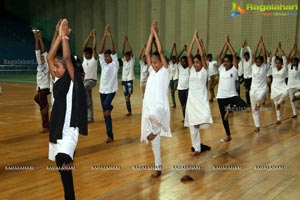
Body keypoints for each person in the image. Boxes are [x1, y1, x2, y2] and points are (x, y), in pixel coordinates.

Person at [47, 19, 88, 200]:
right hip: (57, 128)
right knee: (61, 166)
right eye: (55, 67)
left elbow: (65, 58)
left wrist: (64, 36)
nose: (54, 69)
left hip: (69, 129)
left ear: (68, 67)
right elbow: (50, 57)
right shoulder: (57, 79)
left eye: (58, 66)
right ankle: (69, 196)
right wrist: (57, 34)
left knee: (63, 161)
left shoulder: (73, 80)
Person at [141, 22, 172, 178]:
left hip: (160, 106)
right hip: (150, 103)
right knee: (155, 143)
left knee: (154, 117)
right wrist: (151, 34)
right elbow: (147, 53)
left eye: (156, 62)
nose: (153, 65)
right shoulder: (152, 72)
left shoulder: (166, 71)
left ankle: (156, 130)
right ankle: (158, 167)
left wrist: (156, 34)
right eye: (151, 63)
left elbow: (159, 50)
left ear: (162, 61)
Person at [185, 31, 212, 155]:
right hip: (191, 101)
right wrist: (193, 39)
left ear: (202, 63)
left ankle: (198, 146)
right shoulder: (191, 70)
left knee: (200, 119)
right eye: (194, 62)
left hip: (201, 100)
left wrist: (198, 42)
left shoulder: (204, 71)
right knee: (193, 126)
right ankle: (197, 147)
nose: (196, 64)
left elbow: (202, 55)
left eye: (198, 62)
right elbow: (188, 54)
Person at [216, 36, 248, 143]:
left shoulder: (234, 70)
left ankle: (230, 110)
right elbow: (218, 55)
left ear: (231, 63)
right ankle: (228, 136)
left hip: (232, 95)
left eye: (227, 61)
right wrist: (224, 43)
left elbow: (234, 55)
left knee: (244, 105)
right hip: (221, 97)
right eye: (224, 61)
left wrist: (228, 43)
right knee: (224, 119)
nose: (225, 63)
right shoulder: (220, 69)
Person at [98, 25, 119, 143]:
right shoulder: (103, 65)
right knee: (106, 115)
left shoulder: (115, 64)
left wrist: (110, 37)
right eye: (105, 56)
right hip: (102, 91)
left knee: (107, 106)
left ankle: (110, 107)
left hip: (111, 91)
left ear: (112, 57)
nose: (106, 58)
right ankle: (110, 136)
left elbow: (114, 51)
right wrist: (104, 37)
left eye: (108, 56)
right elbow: (100, 51)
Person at [249, 36, 269, 132]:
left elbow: (265, 55)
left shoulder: (265, 66)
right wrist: (257, 44)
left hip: (263, 88)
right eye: (256, 62)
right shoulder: (253, 66)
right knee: (254, 110)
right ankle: (257, 126)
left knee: (259, 98)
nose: (258, 63)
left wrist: (263, 44)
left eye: (259, 62)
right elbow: (253, 55)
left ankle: (259, 103)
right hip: (253, 89)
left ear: (262, 62)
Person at [34, 31, 50, 133]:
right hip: (40, 87)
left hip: (45, 87)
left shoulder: (48, 64)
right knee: (42, 109)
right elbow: (37, 51)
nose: (41, 58)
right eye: (40, 57)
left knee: (38, 98)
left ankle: (45, 106)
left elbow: (43, 52)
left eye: (43, 57)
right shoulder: (39, 64)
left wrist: (40, 39)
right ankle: (46, 127)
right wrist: (36, 40)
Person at [82, 29, 98, 123]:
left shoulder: (94, 59)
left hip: (92, 81)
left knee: (83, 88)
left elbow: (95, 47)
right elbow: (84, 46)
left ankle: (84, 104)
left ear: (91, 54)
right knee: (89, 98)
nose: (85, 55)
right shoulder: (85, 59)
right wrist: (89, 36)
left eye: (87, 54)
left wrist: (94, 37)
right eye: (85, 54)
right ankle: (90, 118)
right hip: (85, 80)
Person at [271, 42, 288, 124]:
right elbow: (273, 58)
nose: (277, 64)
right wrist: (276, 49)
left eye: (279, 63)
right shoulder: (273, 68)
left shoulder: (284, 68)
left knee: (286, 93)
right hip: (274, 86)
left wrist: (280, 49)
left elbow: (285, 58)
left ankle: (279, 103)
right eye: (276, 63)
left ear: (281, 64)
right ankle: (278, 119)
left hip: (282, 85)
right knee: (275, 103)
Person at [121, 35, 135, 116]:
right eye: (125, 56)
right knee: (126, 97)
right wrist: (124, 42)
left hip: (129, 79)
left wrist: (128, 42)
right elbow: (122, 52)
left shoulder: (132, 61)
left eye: (127, 56)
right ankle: (129, 111)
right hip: (123, 80)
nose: (126, 57)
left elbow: (131, 51)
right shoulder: (124, 61)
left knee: (129, 93)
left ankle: (129, 110)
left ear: (130, 56)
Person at [286, 44, 300, 118]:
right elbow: (288, 57)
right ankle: (294, 114)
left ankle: (296, 95)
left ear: (297, 62)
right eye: (292, 61)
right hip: (290, 85)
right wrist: (292, 49)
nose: (293, 62)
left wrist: (297, 49)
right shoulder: (289, 66)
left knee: (294, 97)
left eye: (295, 61)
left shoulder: (299, 66)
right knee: (292, 100)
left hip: (298, 83)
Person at [177, 45, 189, 122]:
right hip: (180, 89)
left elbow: (190, 58)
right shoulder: (180, 67)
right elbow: (177, 58)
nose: (182, 62)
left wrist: (187, 50)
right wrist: (182, 50)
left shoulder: (190, 68)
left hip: (187, 89)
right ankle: (185, 118)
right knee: (183, 105)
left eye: (184, 61)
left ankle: (190, 118)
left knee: (188, 105)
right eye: (182, 61)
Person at [240, 40, 252, 106]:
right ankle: (248, 102)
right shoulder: (243, 61)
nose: (246, 57)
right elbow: (240, 54)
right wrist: (242, 46)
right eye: (245, 56)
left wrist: (247, 46)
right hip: (245, 78)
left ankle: (252, 101)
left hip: (251, 77)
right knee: (247, 91)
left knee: (250, 90)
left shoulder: (250, 60)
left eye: (247, 56)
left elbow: (250, 52)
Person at [169, 43, 179, 107]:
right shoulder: (170, 63)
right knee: (172, 93)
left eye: (174, 59)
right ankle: (174, 103)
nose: (173, 60)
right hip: (170, 79)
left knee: (175, 88)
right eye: (172, 59)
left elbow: (177, 56)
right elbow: (170, 55)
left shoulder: (177, 64)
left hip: (176, 78)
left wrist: (175, 48)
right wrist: (172, 47)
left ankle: (174, 89)